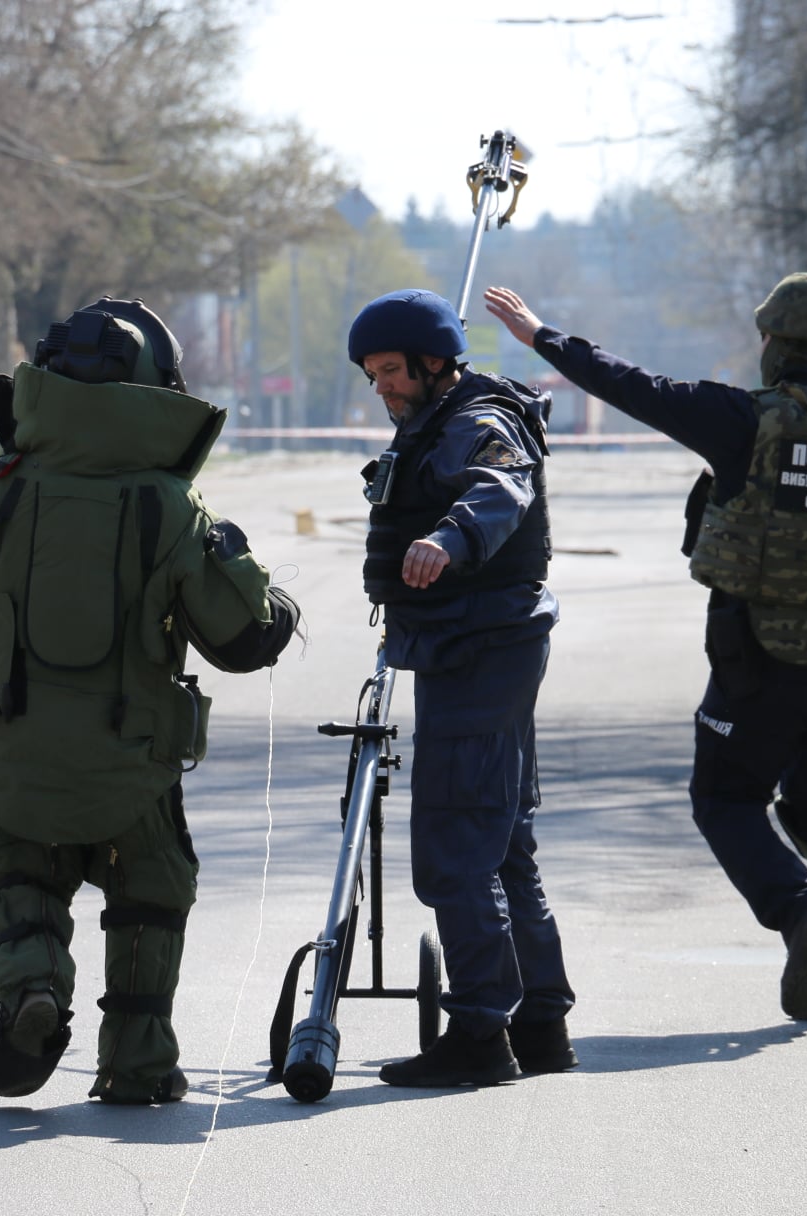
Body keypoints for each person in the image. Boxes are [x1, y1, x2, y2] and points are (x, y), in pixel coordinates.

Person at [484, 276, 807, 1026]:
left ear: (775, 343)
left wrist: (544, 337)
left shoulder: (743, 418)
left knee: (726, 798)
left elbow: (634, 387)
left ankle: (799, 907)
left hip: (760, 654)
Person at [0, 297, 299, 1104]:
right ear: (157, 390)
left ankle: (32, 990)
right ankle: (140, 1064)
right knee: (151, 897)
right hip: (134, 767)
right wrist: (274, 601)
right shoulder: (170, 505)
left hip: (13, 751)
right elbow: (243, 639)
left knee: (17, 882)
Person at [346, 288, 577, 1087]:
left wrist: (450, 535)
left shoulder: (478, 422)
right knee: (503, 838)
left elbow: (501, 487)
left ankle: (481, 1034)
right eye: (373, 377)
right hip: (477, 644)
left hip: (480, 650)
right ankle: (539, 1023)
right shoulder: (435, 422)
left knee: (453, 844)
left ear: (434, 362)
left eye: (391, 373)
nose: (384, 389)